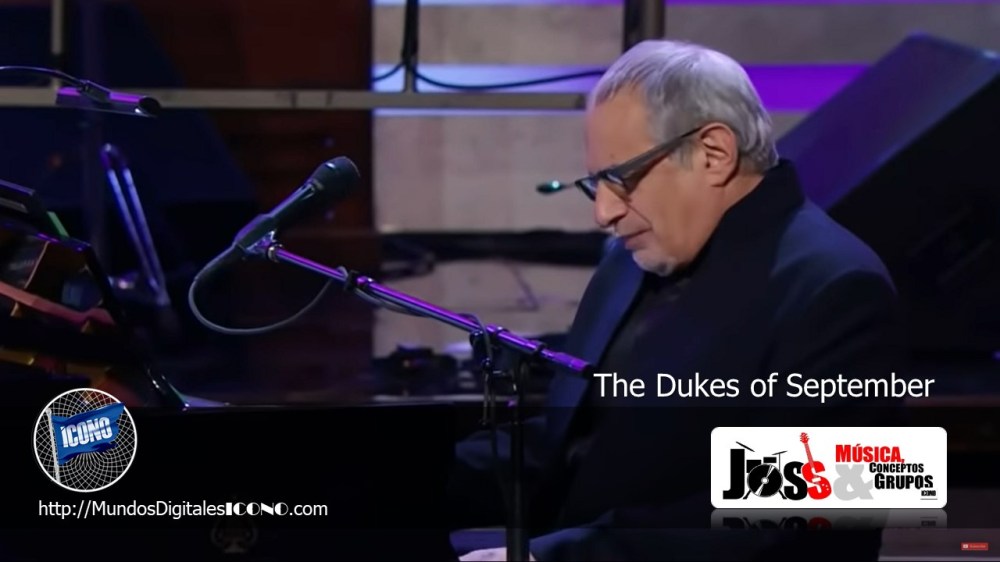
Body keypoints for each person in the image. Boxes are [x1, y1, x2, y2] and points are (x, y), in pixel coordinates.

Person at [450, 39, 903, 561]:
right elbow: (574, 444)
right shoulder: (632, 255)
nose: (603, 213)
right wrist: (398, 475)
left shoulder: (841, 289)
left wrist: (552, 556)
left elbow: (796, 519)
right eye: (596, 184)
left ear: (713, 154)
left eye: (620, 178)